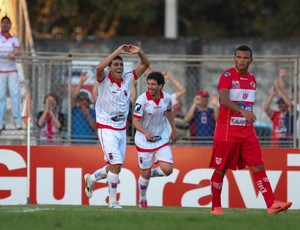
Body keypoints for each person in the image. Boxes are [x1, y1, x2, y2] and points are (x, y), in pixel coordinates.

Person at [209, 45, 292, 215]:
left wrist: (245, 114)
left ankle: (272, 204)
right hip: (227, 132)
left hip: (247, 132)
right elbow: (223, 100)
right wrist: (242, 111)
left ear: (251, 60)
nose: (242, 60)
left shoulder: (252, 79)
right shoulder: (227, 76)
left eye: (245, 58)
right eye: (239, 57)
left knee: (258, 166)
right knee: (221, 169)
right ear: (234, 58)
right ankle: (215, 207)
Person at [84, 44, 150, 208]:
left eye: (121, 64)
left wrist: (140, 52)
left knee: (115, 166)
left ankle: (92, 178)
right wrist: (118, 51)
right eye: (116, 64)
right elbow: (99, 67)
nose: (119, 67)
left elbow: (145, 65)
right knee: (117, 164)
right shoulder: (104, 79)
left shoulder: (128, 78)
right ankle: (112, 201)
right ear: (110, 67)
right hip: (106, 128)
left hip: (122, 129)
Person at [132, 71, 178, 208]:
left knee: (168, 170)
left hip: (161, 139)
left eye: (153, 84)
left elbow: (169, 111)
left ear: (160, 86)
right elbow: (135, 122)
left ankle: (148, 173)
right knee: (144, 173)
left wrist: (173, 129)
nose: (150, 87)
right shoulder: (142, 100)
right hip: (144, 141)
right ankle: (143, 198)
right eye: (148, 84)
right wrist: (146, 132)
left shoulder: (167, 98)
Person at [0, 16, 22, 130]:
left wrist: (14, 54)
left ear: (10, 25)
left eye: (7, 23)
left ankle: (17, 121)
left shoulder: (14, 39)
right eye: (3, 22)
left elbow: (17, 52)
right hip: (0, 71)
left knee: (15, 95)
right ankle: (1, 122)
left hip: (12, 70)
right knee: (1, 96)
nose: (5, 25)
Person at [263, 79, 294, 148]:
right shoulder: (275, 114)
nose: (279, 105)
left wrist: (279, 90)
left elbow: (291, 106)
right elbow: (265, 108)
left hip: (287, 144)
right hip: (275, 145)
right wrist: (273, 93)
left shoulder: (291, 115)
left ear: (286, 103)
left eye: (281, 103)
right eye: (278, 103)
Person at [71, 72, 97, 144]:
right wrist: (81, 82)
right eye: (81, 100)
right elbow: (73, 98)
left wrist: (88, 115)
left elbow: (95, 127)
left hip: (90, 142)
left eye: (86, 100)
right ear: (78, 101)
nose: (84, 102)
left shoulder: (92, 111)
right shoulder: (75, 110)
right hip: (75, 142)